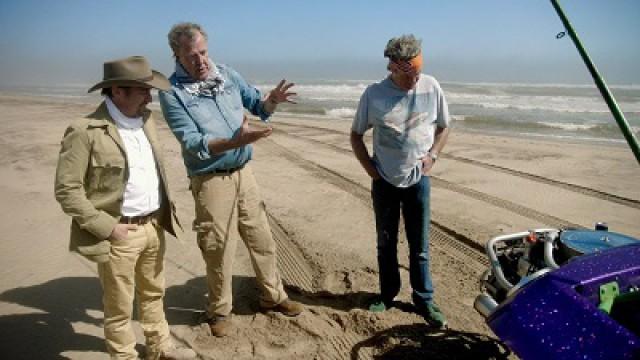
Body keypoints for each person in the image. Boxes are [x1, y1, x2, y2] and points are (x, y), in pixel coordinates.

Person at [158, 22, 303, 337]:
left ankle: (273, 296)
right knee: (218, 247)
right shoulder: (172, 94)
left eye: (203, 52)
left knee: (261, 237)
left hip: (244, 174)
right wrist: (238, 141)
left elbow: (259, 107)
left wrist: (273, 100)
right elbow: (195, 145)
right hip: (211, 181)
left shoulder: (227, 74)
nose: (201, 61)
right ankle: (220, 311)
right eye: (191, 55)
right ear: (176, 55)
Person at [54, 56, 196, 359]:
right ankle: (124, 356)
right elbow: (67, 190)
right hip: (119, 232)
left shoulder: (146, 121)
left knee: (154, 294)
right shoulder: (85, 130)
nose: (150, 95)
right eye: (142, 89)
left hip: (153, 227)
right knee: (119, 306)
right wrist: (108, 229)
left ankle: (160, 346)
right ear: (117, 91)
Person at [350, 35, 451, 328]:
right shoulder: (374, 95)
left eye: (417, 72)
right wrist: (370, 169)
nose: (414, 80)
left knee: (419, 246)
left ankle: (424, 299)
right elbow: (356, 135)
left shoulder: (431, 87)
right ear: (392, 68)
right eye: (408, 74)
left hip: (419, 182)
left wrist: (433, 155)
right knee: (386, 243)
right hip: (384, 182)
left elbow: (444, 127)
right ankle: (387, 294)